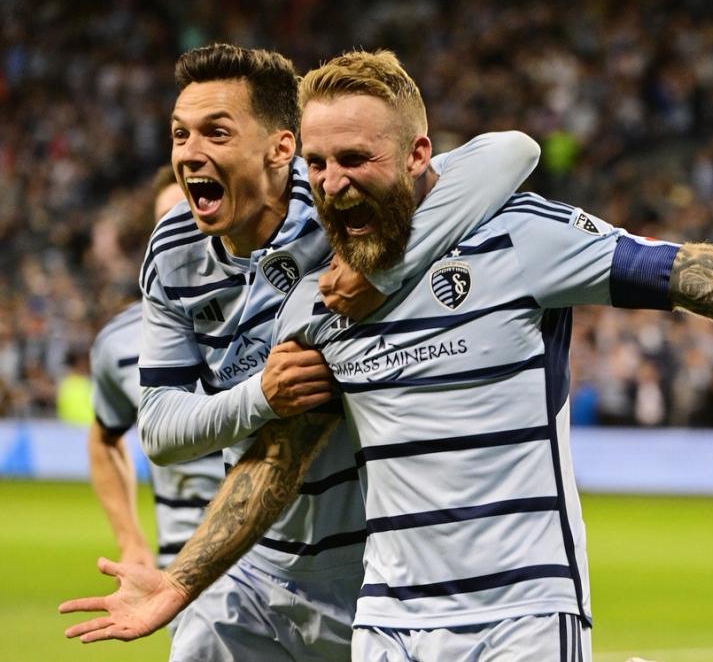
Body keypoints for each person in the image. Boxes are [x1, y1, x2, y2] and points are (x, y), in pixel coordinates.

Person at [60, 49, 713, 661]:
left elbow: (692, 273)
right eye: (319, 164)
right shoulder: (318, 300)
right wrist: (181, 581)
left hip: (524, 613)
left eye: (359, 160)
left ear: (421, 155)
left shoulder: (521, 239)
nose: (335, 183)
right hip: (387, 619)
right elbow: (274, 466)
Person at [64, 43, 540, 662]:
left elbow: (511, 152)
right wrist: (260, 395)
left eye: (216, 132)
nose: (189, 153)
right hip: (251, 560)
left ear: (280, 149)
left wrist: (390, 268)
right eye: (179, 134)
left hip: (372, 566)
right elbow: (158, 429)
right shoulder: (173, 249)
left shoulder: (338, 197)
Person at [88, 167, 225, 632]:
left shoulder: (274, 312)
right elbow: (103, 438)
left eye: (191, 214)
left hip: (294, 555)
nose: (179, 230)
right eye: (168, 219)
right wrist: (129, 539)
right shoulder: (120, 342)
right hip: (185, 576)